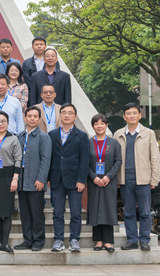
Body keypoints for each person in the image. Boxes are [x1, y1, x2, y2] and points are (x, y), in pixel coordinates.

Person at [114, 103, 160, 251]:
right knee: (128, 212)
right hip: (125, 179)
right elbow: (114, 158)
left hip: (143, 179)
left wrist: (154, 179)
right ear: (124, 117)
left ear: (140, 115)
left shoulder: (149, 133)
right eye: (128, 113)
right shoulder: (118, 134)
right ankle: (132, 240)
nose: (132, 116)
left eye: (134, 113)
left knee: (145, 212)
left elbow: (155, 158)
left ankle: (145, 240)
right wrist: (116, 179)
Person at [48, 103, 90, 252]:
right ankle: (58, 240)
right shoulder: (52, 135)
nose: (66, 115)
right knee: (57, 212)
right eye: (64, 112)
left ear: (75, 116)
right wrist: (49, 178)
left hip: (75, 180)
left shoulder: (82, 136)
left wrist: (81, 180)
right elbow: (49, 157)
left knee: (76, 212)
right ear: (60, 115)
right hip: (57, 179)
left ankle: (74, 240)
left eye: (70, 113)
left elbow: (85, 160)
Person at [15, 106, 51, 252]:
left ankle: (38, 240)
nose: (32, 119)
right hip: (22, 179)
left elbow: (45, 160)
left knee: (36, 213)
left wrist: (41, 179)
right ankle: (27, 239)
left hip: (35, 180)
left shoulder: (43, 137)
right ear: (25, 118)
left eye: (35, 116)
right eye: (29, 116)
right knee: (25, 213)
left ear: (39, 119)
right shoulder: (20, 136)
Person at [0, 111, 22, 253]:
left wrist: (15, 178)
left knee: (6, 212)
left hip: (8, 177)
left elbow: (18, 159)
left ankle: (6, 243)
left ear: (8, 123)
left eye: (3, 121)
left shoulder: (13, 139)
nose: (0, 124)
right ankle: (0, 242)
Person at [88, 113, 122, 253]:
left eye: (102, 123)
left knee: (108, 208)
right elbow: (84, 162)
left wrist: (108, 176)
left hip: (109, 181)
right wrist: (93, 177)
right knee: (95, 208)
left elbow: (118, 161)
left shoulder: (114, 143)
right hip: (93, 181)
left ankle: (108, 241)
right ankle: (98, 241)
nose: (99, 126)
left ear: (106, 125)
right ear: (93, 126)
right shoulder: (88, 142)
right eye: (96, 124)